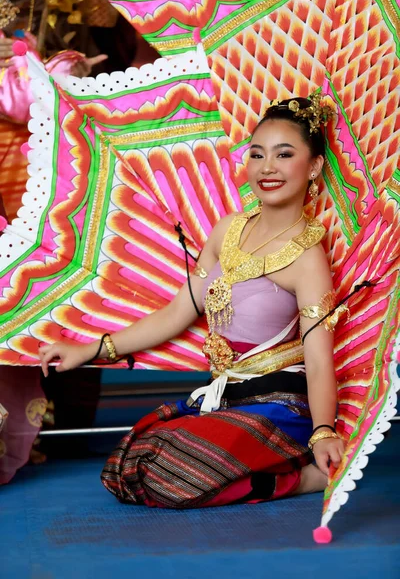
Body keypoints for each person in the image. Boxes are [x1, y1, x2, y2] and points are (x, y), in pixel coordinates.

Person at [39, 95, 346, 508]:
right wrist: (90, 349)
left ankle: (304, 478)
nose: (267, 167)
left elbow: (319, 356)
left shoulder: (308, 258)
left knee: (174, 475)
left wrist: (323, 430)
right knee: (127, 467)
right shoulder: (227, 231)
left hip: (280, 403)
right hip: (223, 396)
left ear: (314, 167)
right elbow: (177, 313)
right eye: (257, 154)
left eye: (284, 154)